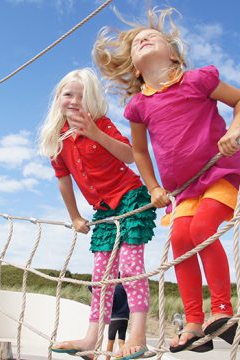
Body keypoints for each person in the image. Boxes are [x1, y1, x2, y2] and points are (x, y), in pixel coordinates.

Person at [93, 7, 240, 353]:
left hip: (220, 171)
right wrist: (153, 187)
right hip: (183, 191)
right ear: (136, 68)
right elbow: (139, 152)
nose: (142, 39)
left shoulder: (198, 80)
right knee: (181, 241)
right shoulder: (139, 106)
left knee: (201, 230)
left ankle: (223, 310)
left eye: (151, 37)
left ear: (172, 52)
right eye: (136, 43)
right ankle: (194, 323)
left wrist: (235, 132)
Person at [38, 68, 157, 360]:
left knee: (129, 268)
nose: (75, 100)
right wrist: (76, 216)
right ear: (58, 98)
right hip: (102, 211)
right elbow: (64, 181)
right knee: (101, 277)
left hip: (129, 199)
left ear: (91, 100)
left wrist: (94, 133)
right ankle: (91, 337)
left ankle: (138, 334)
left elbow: (130, 155)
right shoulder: (58, 140)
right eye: (69, 94)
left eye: (82, 96)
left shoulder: (101, 123)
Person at [106, 283, 130, 360]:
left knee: (110, 341)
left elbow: (90, 287)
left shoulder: (113, 288)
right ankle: (123, 358)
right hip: (125, 318)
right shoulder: (126, 288)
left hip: (114, 318)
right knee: (121, 341)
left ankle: (107, 359)